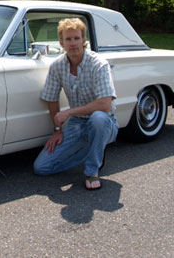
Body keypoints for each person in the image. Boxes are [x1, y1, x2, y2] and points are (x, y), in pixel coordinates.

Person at [33, 18, 118, 190]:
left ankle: (92, 170)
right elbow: (51, 98)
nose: (73, 43)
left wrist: (69, 112)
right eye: (68, 39)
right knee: (42, 168)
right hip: (76, 124)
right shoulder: (57, 66)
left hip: (104, 123)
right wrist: (57, 130)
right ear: (61, 42)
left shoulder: (98, 65)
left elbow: (105, 104)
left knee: (98, 118)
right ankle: (95, 150)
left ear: (84, 40)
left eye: (77, 38)